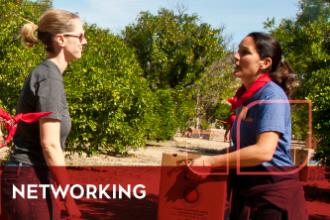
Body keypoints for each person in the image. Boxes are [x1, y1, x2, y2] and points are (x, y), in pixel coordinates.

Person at [188, 32, 307, 220]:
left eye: (244, 52)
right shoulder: (246, 97)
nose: (236, 56)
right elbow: (243, 149)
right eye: (238, 51)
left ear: (265, 63)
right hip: (248, 195)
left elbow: (263, 152)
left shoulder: (271, 96)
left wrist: (210, 162)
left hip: (272, 200)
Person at [2, 8, 87, 219]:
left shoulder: (48, 74)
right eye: (80, 35)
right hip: (29, 178)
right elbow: (50, 144)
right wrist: (70, 200)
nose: (84, 41)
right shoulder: (49, 78)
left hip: (31, 176)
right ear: (60, 39)